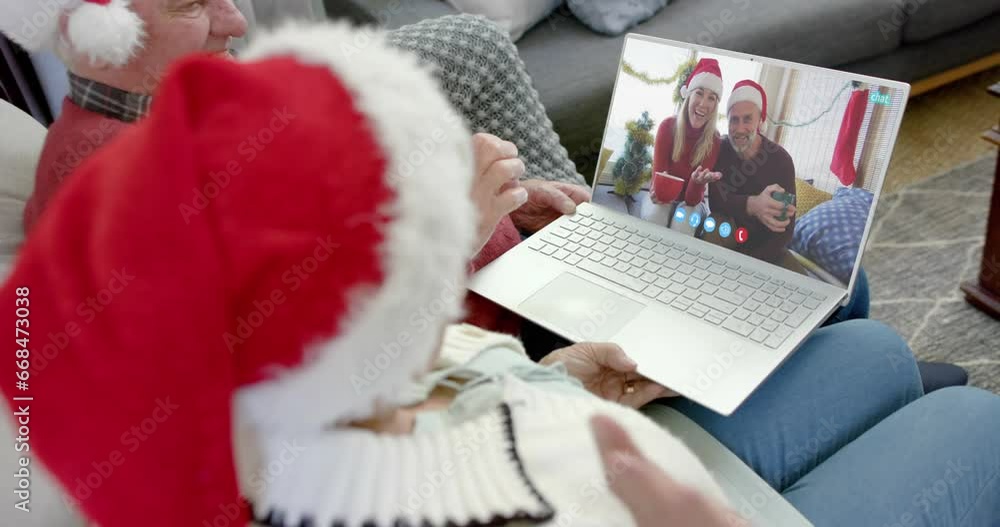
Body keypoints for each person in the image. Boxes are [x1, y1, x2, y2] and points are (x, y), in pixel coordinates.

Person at [5, 24, 998, 527]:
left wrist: (552, 375)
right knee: (967, 422)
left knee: (863, 340)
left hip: (561, 426)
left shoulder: (218, 397)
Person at [0, 0, 589, 335]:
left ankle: (598, 242)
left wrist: (511, 203)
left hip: (512, 265)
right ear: (103, 38)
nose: (234, 22)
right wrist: (464, 228)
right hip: (500, 332)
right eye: (191, 6)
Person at [644, 58, 724, 227]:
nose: (703, 104)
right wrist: (657, 192)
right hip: (663, 199)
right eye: (699, 93)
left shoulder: (715, 140)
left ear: (715, 105)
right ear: (688, 95)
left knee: (684, 221)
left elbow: (691, 201)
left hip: (693, 204)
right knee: (656, 215)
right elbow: (658, 190)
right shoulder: (667, 127)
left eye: (711, 98)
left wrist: (696, 182)